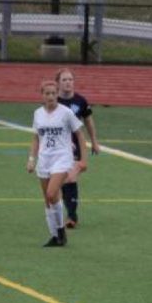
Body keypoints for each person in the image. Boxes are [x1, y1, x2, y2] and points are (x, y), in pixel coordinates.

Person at [26, 80, 88, 247]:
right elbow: (36, 138)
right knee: (48, 200)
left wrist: (83, 160)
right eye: (47, 94)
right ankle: (55, 236)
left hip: (62, 158)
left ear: (57, 94)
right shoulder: (38, 113)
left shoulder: (66, 113)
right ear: (42, 95)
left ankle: (61, 232)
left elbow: (80, 136)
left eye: (54, 93)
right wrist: (31, 159)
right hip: (44, 159)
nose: (51, 96)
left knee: (52, 193)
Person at [55, 68, 100, 229]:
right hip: (56, 148)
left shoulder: (80, 101)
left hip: (75, 147)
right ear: (58, 83)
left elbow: (88, 122)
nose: (68, 82)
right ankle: (62, 211)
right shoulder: (53, 101)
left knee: (71, 178)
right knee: (59, 181)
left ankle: (72, 216)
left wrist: (94, 141)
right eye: (64, 80)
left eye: (70, 79)